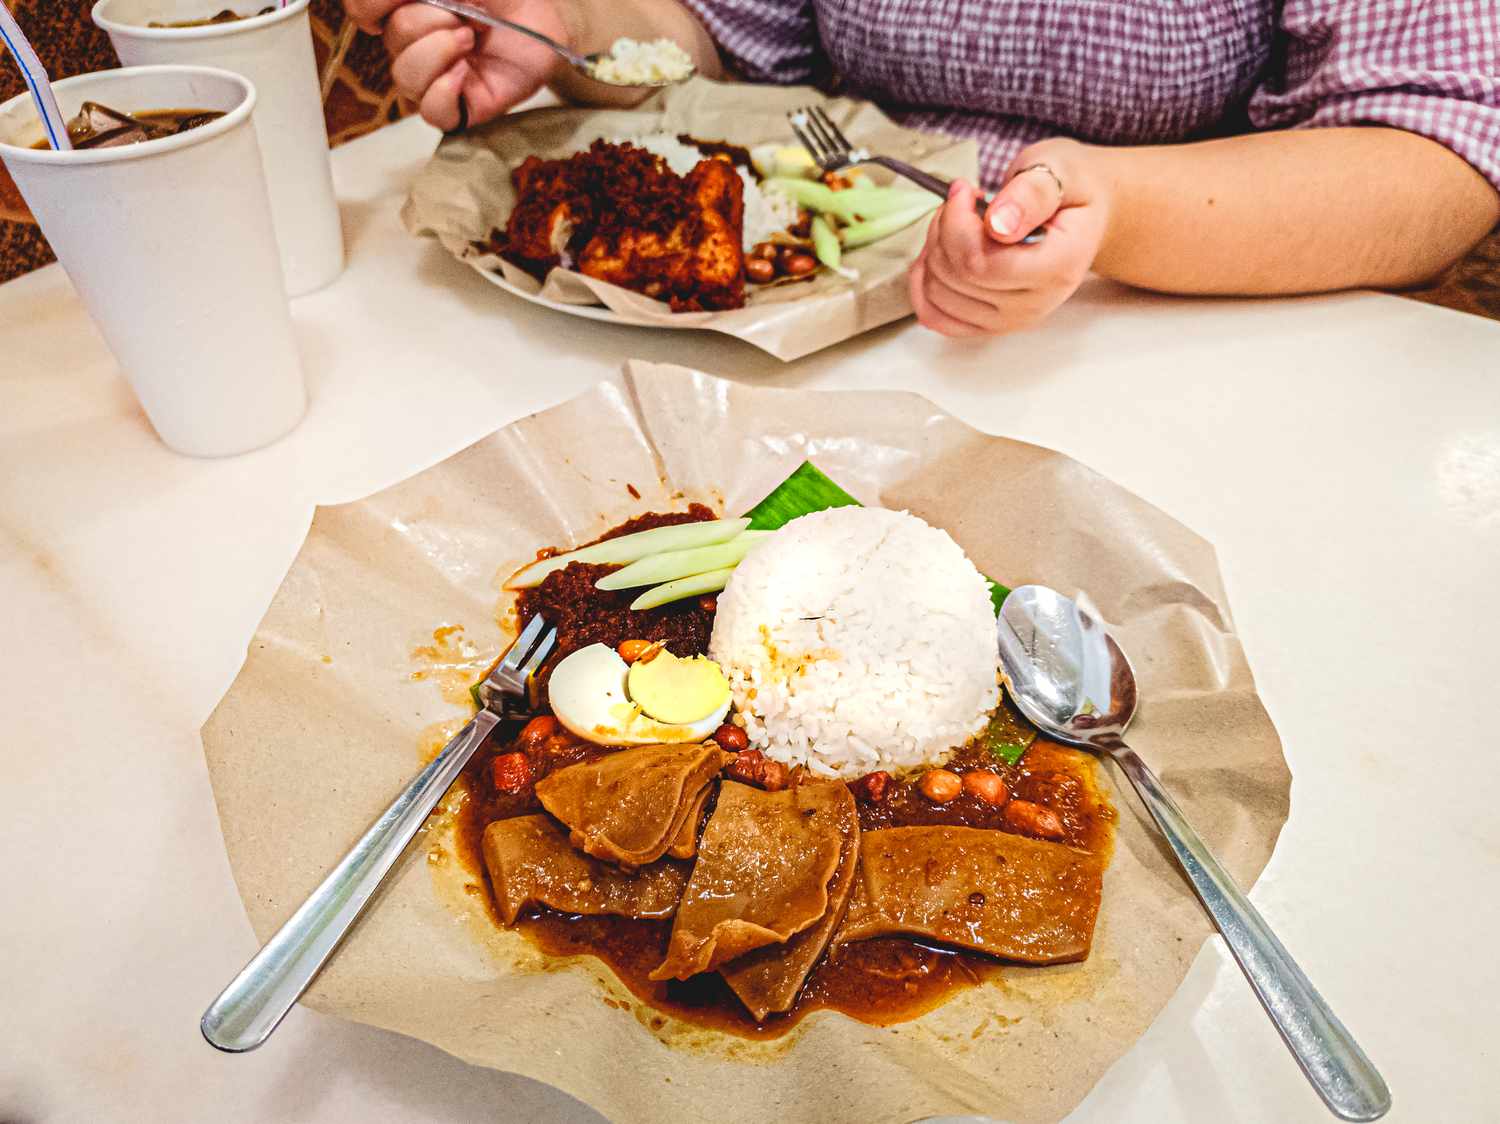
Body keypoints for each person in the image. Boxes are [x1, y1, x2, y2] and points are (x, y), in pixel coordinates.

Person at [346, 0, 1500, 337]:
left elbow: (1436, 152)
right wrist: (563, 24)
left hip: (1184, 310)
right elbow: (717, 40)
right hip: (823, 309)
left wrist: (1123, 207)